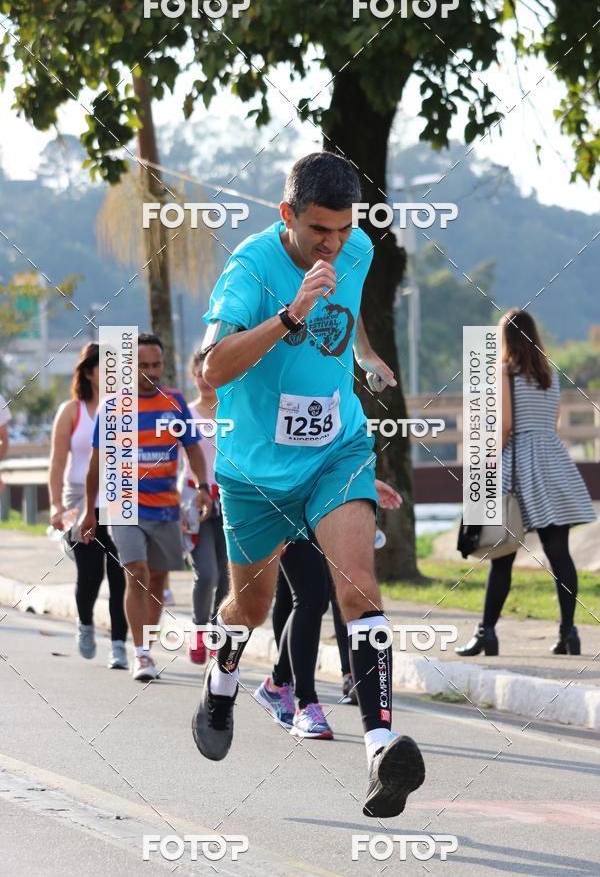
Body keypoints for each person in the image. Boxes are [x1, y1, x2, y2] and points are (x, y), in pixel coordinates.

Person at [192, 151, 426, 819]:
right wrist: (292, 314)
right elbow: (210, 369)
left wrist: (365, 353)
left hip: (336, 451)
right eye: (319, 230)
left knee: (359, 588)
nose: (333, 244)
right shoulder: (250, 267)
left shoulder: (357, 251)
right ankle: (222, 681)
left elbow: (346, 308)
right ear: (286, 215)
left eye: (344, 228)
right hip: (255, 470)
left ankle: (379, 749)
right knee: (251, 606)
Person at [457, 309, 596, 658]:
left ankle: (486, 632)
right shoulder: (549, 374)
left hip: (516, 465)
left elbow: (505, 425)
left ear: (505, 339)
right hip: (552, 462)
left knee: (502, 555)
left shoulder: (503, 372)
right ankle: (568, 633)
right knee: (560, 554)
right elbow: (553, 422)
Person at [80, 334, 213, 681]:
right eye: (143, 366)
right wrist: (88, 511)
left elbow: (193, 449)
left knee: (156, 579)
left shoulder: (175, 401)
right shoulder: (112, 408)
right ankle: (139, 653)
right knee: (136, 572)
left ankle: (146, 647)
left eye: (156, 365)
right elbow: (96, 464)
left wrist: (201, 487)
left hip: (166, 507)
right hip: (123, 503)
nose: (151, 372)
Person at [255, 478, 402, 738]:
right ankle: (305, 704)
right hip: (282, 496)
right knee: (309, 597)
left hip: (318, 501)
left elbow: (327, 453)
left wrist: (365, 481)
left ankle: (278, 685)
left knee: (309, 597)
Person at [48, 343, 128, 667]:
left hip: (118, 496)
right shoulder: (72, 411)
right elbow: (57, 462)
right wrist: (55, 505)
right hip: (80, 498)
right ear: (89, 373)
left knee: (121, 573)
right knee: (91, 571)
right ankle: (85, 624)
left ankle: (119, 644)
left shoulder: (125, 409)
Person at [178, 349, 229, 664]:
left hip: (230, 500)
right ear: (193, 377)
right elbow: (171, 462)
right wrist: (175, 506)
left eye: (210, 374)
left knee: (226, 576)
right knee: (207, 573)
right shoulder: (185, 414)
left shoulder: (233, 411)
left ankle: (216, 633)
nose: (206, 381)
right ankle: (198, 631)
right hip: (194, 500)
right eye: (200, 375)